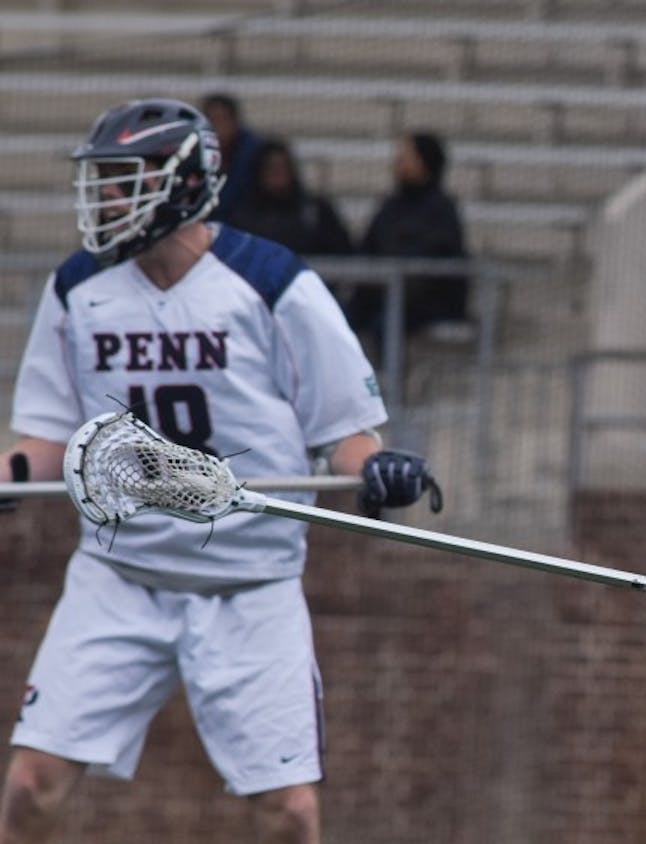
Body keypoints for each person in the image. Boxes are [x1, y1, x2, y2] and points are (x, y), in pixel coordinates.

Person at [0, 98, 443, 844]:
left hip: (250, 583)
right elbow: (46, 437)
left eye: (124, 180)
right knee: (28, 788)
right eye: (102, 181)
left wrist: (380, 468)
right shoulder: (78, 286)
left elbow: (344, 435)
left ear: (182, 183)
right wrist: (9, 475)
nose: (106, 198)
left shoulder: (272, 282)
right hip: (119, 575)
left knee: (289, 813)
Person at [345, 131, 469, 341]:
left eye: (407, 157)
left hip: (424, 302)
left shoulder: (441, 210)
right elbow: (367, 247)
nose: (399, 162)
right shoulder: (390, 207)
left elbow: (437, 259)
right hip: (380, 295)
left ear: (425, 162)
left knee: (385, 323)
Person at [229, 137, 354, 258]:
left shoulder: (316, 213)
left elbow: (343, 255)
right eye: (271, 168)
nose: (277, 174)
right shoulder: (243, 217)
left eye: (282, 167)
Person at [201, 92, 263, 221]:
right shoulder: (189, 154)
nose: (217, 127)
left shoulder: (256, 156)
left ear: (235, 122)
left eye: (222, 119)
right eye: (212, 120)